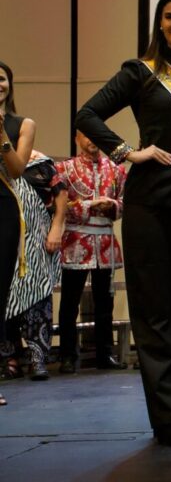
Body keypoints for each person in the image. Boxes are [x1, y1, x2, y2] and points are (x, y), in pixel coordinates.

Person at [76, 0, 171, 446]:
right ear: (159, 23)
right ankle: (166, 417)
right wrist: (127, 152)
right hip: (151, 206)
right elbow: (88, 113)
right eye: (170, 16)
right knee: (154, 313)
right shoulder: (140, 72)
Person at [55, 131, 127, 373]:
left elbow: (126, 201)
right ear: (76, 138)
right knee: (69, 303)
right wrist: (89, 205)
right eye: (86, 135)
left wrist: (113, 205)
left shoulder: (115, 169)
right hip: (76, 240)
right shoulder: (64, 168)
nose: (91, 140)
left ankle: (105, 354)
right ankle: (67, 355)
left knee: (104, 302)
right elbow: (59, 206)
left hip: (105, 242)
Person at [1, 149, 65, 383]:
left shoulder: (40, 162)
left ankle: (38, 357)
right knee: (5, 300)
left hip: (36, 244)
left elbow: (61, 195)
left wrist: (56, 227)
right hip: (6, 241)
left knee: (38, 299)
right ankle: (10, 359)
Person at [0, 59, 37, 407]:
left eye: (1, 79)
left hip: (3, 209)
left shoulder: (21, 124)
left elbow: (16, 170)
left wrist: (0, 134)